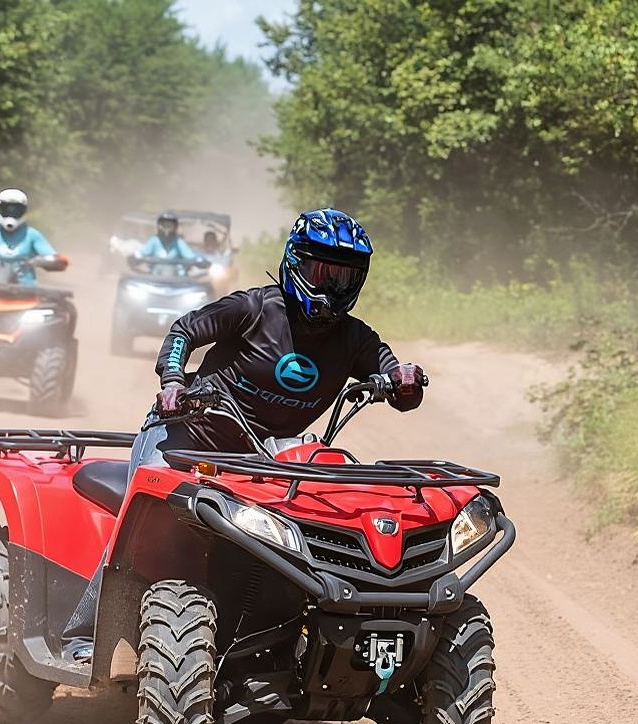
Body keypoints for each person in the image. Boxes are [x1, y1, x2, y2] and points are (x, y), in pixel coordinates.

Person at [61, 208, 425, 663]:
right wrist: (173, 383)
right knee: (141, 529)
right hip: (184, 439)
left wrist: (403, 378)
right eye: (323, 272)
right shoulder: (253, 308)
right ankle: (83, 637)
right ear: (297, 262)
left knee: (306, 526)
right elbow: (183, 331)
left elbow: (394, 376)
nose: (333, 288)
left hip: (268, 456)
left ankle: (281, 641)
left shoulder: (353, 338)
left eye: (345, 278)